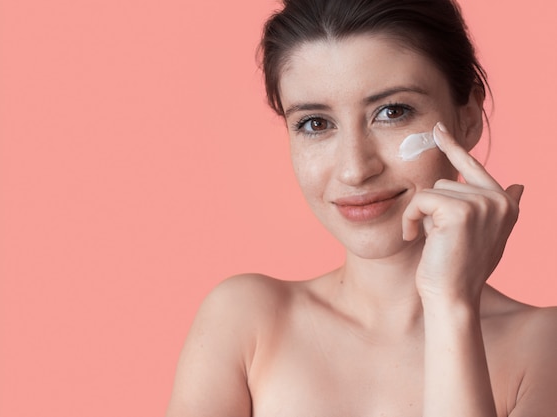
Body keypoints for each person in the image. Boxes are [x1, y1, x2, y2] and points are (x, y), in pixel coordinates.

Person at [166, 0, 557, 415]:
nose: (355, 170)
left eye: (393, 112)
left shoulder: (544, 348)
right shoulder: (245, 322)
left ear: (469, 117)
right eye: (315, 123)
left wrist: (449, 305)